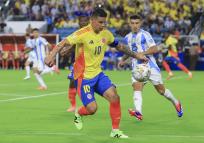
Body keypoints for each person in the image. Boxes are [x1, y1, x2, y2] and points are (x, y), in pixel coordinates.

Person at [45, 8, 147, 138]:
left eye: (105, 22)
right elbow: (62, 43)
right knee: (92, 109)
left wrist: (136, 55)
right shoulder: (83, 33)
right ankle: (78, 114)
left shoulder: (106, 33)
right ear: (92, 21)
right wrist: (51, 56)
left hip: (98, 74)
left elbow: (119, 46)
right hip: (83, 76)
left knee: (114, 97)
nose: (103, 25)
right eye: (100, 22)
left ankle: (115, 131)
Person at [118, 14, 183, 121]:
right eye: (133, 23)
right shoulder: (127, 37)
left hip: (150, 66)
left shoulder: (145, 35)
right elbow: (128, 51)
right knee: (137, 87)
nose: (135, 25)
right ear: (129, 24)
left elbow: (154, 49)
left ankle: (176, 102)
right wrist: (123, 59)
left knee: (161, 91)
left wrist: (141, 53)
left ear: (141, 23)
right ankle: (138, 112)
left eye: (137, 23)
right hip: (137, 68)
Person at [60, 15, 90, 112]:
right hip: (78, 63)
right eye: (81, 21)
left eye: (85, 21)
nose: (83, 23)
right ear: (79, 22)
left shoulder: (91, 33)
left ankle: (88, 104)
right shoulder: (77, 33)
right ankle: (73, 106)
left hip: (90, 63)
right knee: (72, 82)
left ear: (88, 22)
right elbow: (74, 44)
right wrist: (67, 50)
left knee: (88, 85)